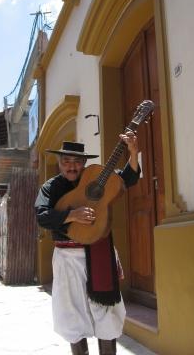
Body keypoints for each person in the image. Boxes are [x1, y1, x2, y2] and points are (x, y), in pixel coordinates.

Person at [35, 132, 140, 355]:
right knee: (72, 313)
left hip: (99, 250)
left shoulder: (97, 177)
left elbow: (127, 179)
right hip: (66, 258)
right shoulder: (50, 187)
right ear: (60, 163)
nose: (71, 166)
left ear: (84, 163)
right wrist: (72, 215)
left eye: (76, 161)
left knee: (107, 312)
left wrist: (132, 152)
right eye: (66, 161)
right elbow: (41, 216)